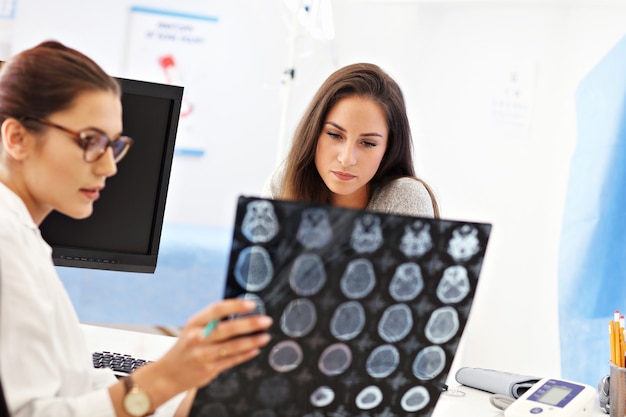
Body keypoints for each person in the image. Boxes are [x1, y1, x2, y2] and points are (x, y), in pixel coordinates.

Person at [0, 41, 272, 417]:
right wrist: (166, 377)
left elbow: (78, 384)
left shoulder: (24, 238)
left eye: (114, 145)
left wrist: (184, 387)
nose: (110, 167)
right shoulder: (5, 245)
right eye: (91, 141)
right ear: (16, 138)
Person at [263, 62, 439, 218]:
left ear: (388, 148)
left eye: (368, 143)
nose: (346, 159)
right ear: (313, 132)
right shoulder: (284, 184)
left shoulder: (405, 198)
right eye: (334, 135)